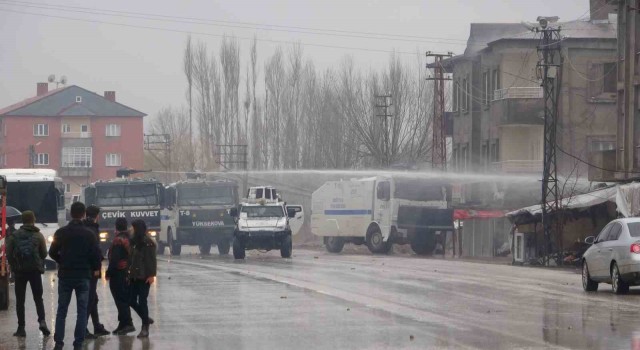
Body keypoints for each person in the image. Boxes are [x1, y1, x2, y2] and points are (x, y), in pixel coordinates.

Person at [49, 202, 101, 350]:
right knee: (82, 311)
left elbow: (52, 252)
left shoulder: (61, 232)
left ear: (71, 214)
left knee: (62, 310)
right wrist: (93, 267)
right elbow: (96, 257)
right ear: (83, 214)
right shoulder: (89, 234)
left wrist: (62, 261)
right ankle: (78, 344)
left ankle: (59, 343)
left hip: (65, 275)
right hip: (83, 276)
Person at [5, 210, 50, 337]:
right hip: (35, 271)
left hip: (20, 272)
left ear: (22, 221)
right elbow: (44, 254)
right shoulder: (38, 235)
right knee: (38, 298)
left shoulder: (15, 235)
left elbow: (9, 254)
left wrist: (15, 266)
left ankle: (21, 328)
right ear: (33, 219)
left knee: (20, 300)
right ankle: (42, 321)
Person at [82, 204, 109, 338]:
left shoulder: (83, 226)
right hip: (91, 268)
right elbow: (94, 250)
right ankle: (84, 329)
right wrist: (97, 269)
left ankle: (96, 326)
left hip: (84, 267)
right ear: (97, 216)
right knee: (90, 298)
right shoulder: (92, 228)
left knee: (94, 298)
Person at [106, 217, 135, 335]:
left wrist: (109, 272)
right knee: (123, 297)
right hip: (126, 271)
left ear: (116, 227)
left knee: (120, 299)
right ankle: (123, 323)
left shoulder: (118, 240)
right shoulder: (128, 238)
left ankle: (128, 323)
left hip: (118, 273)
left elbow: (115, 259)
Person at [129, 219, 157, 338]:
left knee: (142, 301)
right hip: (134, 276)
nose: (132, 230)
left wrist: (151, 275)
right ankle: (145, 318)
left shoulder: (148, 242)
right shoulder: (133, 241)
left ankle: (145, 327)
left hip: (144, 276)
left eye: (134, 228)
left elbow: (151, 260)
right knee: (130, 299)